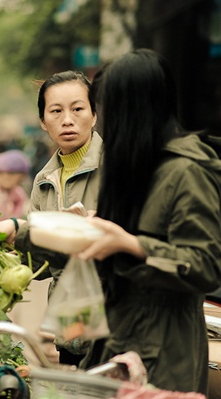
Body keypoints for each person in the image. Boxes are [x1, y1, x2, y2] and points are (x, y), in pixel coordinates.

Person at [76, 49, 221, 394]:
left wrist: (132, 244)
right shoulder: (133, 165)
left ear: (135, 110)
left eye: (107, 110)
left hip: (165, 359)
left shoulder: (188, 172)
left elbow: (205, 265)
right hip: (116, 346)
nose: (101, 122)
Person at [0, 70, 101, 366]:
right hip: (70, 330)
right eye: (56, 111)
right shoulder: (44, 180)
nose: (67, 119)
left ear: (94, 114)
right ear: (43, 121)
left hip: (113, 329)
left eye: (77, 109)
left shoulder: (116, 167)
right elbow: (41, 262)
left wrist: (19, 227)